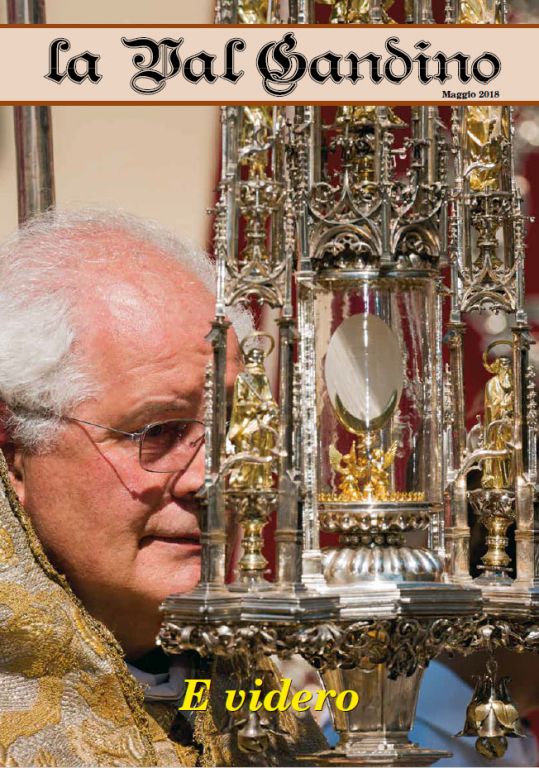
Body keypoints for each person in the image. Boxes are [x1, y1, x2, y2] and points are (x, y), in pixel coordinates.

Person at [0, 208, 325, 766]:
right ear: (15, 455)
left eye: (234, 432)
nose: (209, 481)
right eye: (158, 432)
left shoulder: (263, 692)